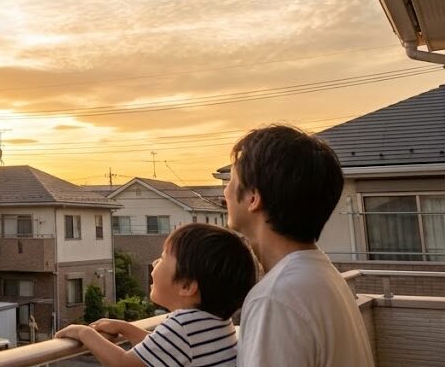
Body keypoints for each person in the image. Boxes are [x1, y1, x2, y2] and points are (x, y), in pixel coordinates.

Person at [225, 125, 375, 367]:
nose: (225, 192)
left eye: (231, 181)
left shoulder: (276, 298)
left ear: (253, 198)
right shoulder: (320, 275)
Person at [55, 223, 255, 367]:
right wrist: (126, 329)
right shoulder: (216, 321)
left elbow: (125, 364)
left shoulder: (183, 326)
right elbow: (161, 349)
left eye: (162, 258)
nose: (154, 263)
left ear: (186, 286)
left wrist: (85, 333)